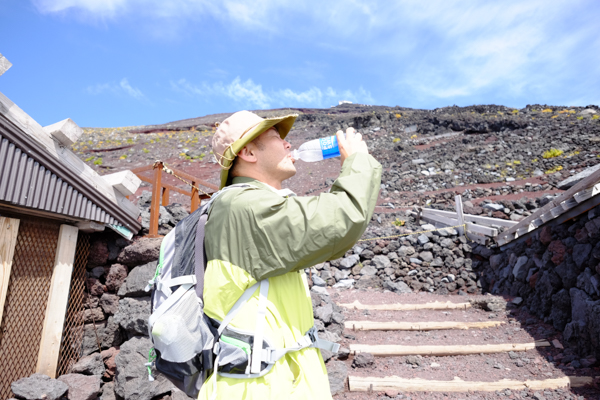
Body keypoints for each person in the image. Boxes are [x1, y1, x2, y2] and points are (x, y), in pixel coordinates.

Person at [199, 110, 381, 399]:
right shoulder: (245, 206)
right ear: (247, 152)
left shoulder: (247, 205)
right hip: (259, 388)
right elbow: (342, 219)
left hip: (272, 382)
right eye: (275, 137)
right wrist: (357, 161)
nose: (287, 144)